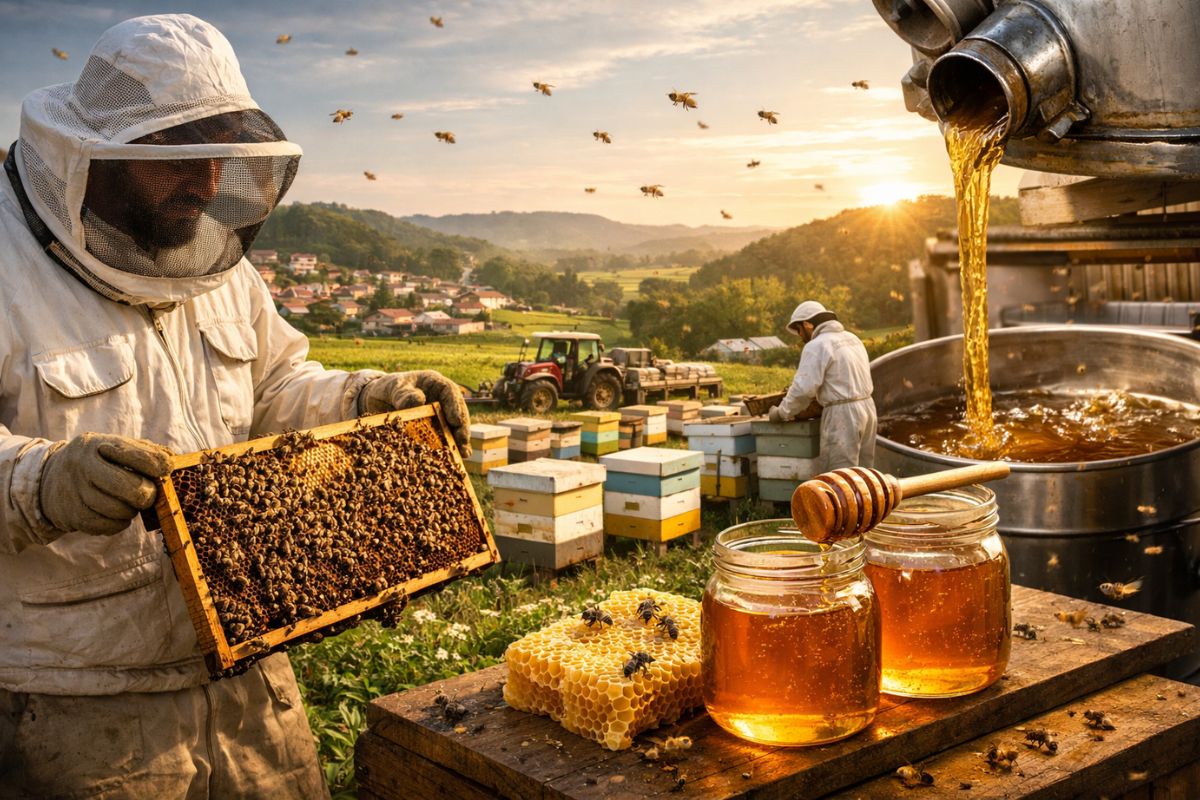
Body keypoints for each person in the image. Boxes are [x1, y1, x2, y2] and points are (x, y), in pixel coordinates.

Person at [0, 14, 470, 799]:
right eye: (182, 156)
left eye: (223, 153)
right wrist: (40, 483)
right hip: (79, 700)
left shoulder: (214, 261)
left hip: (251, 676)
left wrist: (368, 399)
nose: (210, 182)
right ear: (101, 154)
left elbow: (276, 389)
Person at [769, 301, 876, 471]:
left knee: (841, 476)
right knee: (865, 474)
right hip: (868, 409)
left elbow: (803, 389)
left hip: (842, 415)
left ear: (807, 324)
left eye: (799, 330)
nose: (800, 335)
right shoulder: (852, 338)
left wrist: (781, 413)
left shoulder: (817, 345)